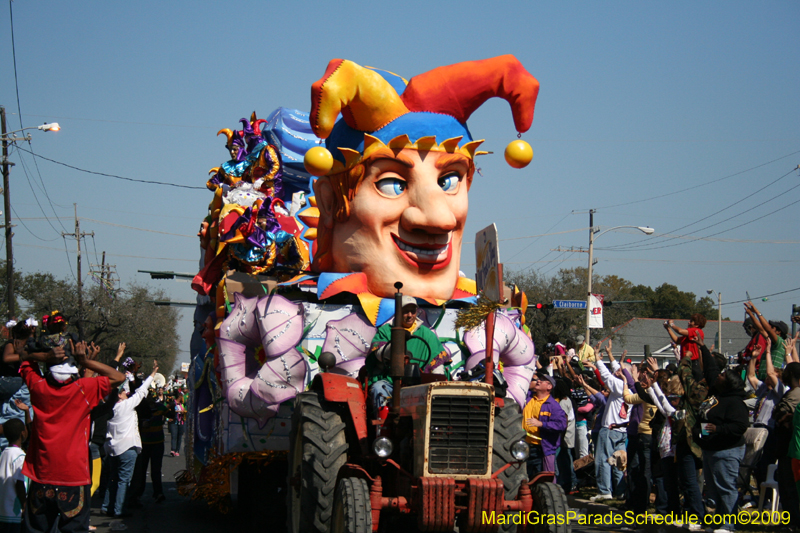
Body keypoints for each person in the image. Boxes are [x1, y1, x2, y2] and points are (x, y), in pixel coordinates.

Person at [306, 56, 539, 301]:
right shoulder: (287, 322)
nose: (439, 219)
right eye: (393, 184)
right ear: (330, 201)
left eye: (449, 181)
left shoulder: (489, 335)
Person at [18, 339, 124, 533]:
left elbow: (24, 358)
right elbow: (118, 376)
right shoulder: (84, 389)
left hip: (42, 474)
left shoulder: (38, 387)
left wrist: (45, 356)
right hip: (73, 477)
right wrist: (85, 361)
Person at [365, 296, 448, 415]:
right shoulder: (386, 331)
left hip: (419, 385)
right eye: (405, 311)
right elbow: (378, 354)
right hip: (389, 382)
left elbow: (437, 364)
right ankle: (382, 426)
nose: (409, 315)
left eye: (412, 311)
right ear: (398, 312)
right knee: (378, 388)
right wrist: (396, 343)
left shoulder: (428, 334)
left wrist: (439, 384)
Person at [102, 360, 158, 521]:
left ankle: (108, 506)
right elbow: (141, 392)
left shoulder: (109, 408)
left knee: (113, 478)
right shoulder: (125, 406)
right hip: (127, 448)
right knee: (123, 480)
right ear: (119, 394)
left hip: (112, 448)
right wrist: (152, 375)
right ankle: (119, 509)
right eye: (125, 392)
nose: (128, 394)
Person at [695, 368, 749, 532]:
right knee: (714, 490)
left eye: (723, 375)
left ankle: (730, 524)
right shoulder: (716, 398)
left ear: (729, 382)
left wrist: (718, 429)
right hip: (711, 448)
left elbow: (740, 426)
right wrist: (700, 432)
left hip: (726, 450)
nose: (718, 375)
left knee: (726, 488)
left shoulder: (735, 402)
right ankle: (719, 521)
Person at [586, 342, 629, 501]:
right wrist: (610, 355)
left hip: (610, 429)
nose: (617, 370)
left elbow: (605, 376)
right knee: (618, 462)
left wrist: (597, 358)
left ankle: (605, 491)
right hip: (622, 430)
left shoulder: (619, 386)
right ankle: (620, 490)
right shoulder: (631, 387)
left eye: (620, 370)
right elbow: (616, 371)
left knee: (603, 460)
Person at [523, 372, 566, 478]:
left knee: (544, 479)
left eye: (542, 380)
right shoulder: (527, 398)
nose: (538, 381)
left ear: (549, 386)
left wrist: (542, 424)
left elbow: (561, 425)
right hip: (524, 446)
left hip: (542, 449)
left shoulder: (553, 405)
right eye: (538, 379)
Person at [745, 301, 788, 379]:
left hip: (772, 381)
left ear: (778, 332)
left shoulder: (780, 342)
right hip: (765, 380)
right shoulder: (772, 342)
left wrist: (757, 312)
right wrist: (751, 314)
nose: (769, 327)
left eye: (772, 327)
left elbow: (767, 330)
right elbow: (761, 329)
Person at [0, 418, 27, 533]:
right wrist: (24, 504)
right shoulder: (20, 456)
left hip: (2, 510)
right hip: (13, 512)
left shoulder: (4, 453)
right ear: (23, 433)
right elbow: (19, 483)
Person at [168, 391, 186, 457]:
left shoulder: (182, 404)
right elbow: (166, 409)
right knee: (174, 435)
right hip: (174, 422)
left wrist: (183, 412)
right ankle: (173, 449)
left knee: (179, 436)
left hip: (181, 422)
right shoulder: (172, 403)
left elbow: (184, 410)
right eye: (182, 397)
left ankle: (177, 450)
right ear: (180, 397)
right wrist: (168, 418)